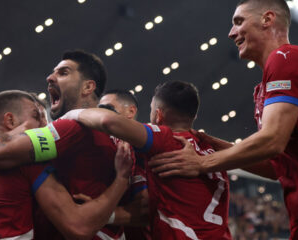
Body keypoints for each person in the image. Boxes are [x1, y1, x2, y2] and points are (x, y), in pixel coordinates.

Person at [145, 0, 298, 238]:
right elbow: (275, 166)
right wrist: (215, 144)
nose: (231, 33)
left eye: (239, 22)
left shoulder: (286, 58)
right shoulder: (262, 89)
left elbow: (273, 141)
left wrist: (203, 163)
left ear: (267, 19)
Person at [0, 90, 132, 240]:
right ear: (10, 120)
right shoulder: (23, 162)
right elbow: (78, 228)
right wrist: (121, 179)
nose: (46, 126)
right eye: (37, 116)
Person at [61, 81, 232, 239]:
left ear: (158, 115)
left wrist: (70, 114)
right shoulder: (215, 152)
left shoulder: (166, 139)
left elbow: (108, 121)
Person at [98, 89, 150, 240]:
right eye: (99, 109)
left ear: (130, 111)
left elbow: (144, 209)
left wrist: (95, 214)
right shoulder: (109, 145)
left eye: (108, 108)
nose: (101, 114)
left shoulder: (141, 148)